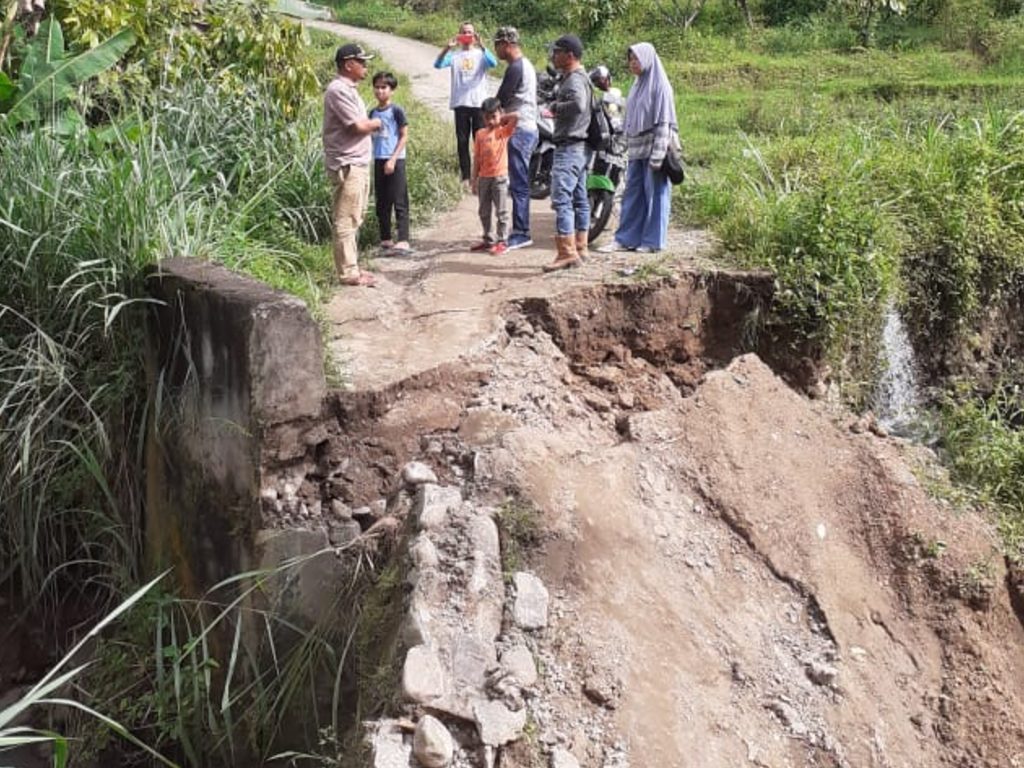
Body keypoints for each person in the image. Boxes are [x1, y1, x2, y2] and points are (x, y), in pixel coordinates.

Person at [598, 42, 678, 254]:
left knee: (657, 195)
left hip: (654, 150)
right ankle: (626, 239)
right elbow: (629, 118)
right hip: (636, 150)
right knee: (632, 194)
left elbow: (664, 122)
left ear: (648, 60)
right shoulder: (636, 85)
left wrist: (658, 156)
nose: (633, 63)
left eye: (637, 59)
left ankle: (653, 242)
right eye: (630, 59)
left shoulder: (660, 87)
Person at [323, 43, 382, 287]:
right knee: (346, 219)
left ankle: (352, 267)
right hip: (347, 164)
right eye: (362, 62)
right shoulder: (338, 90)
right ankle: (348, 273)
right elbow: (357, 126)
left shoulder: (349, 90)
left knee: (355, 216)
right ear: (349, 65)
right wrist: (377, 122)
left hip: (357, 163)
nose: (365, 66)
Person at [542, 34, 591, 272]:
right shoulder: (583, 77)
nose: (553, 56)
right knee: (580, 200)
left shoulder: (574, 81)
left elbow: (578, 105)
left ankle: (567, 253)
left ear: (569, 55)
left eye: (557, 52)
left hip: (569, 147)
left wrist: (555, 107)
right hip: (581, 147)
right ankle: (581, 247)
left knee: (562, 199)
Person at [434, 22, 497, 189]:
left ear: (475, 36)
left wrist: (483, 46)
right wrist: (447, 48)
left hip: (478, 103)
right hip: (460, 103)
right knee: (462, 142)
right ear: (459, 35)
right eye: (464, 32)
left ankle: (482, 173)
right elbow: (438, 64)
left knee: (480, 140)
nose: (467, 35)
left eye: (470, 32)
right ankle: (466, 176)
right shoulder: (454, 56)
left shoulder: (480, 55)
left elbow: (493, 63)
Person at [493, 26, 538, 250]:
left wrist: (489, 114)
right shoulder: (525, 65)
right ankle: (519, 229)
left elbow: (500, 99)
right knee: (518, 181)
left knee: (518, 183)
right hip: (525, 127)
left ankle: (521, 232)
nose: (496, 50)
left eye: (497, 45)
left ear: (507, 44)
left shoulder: (516, 68)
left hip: (519, 129)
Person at [369, 71, 412, 254]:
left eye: (384, 87)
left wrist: (393, 159)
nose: (380, 91)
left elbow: (404, 136)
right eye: (377, 87)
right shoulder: (372, 113)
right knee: (382, 201)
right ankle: (385, 238)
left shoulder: (396, 111)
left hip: (395, 159)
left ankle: (403, 239)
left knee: (399, 199)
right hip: (378, 159)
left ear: (392, 90)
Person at [470, 97, 518, 255]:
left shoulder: (503, 132)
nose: (490, 121)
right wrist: (474, 179)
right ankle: (488, 239)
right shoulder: (479, 134)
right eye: (486, 117)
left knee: (501, 211)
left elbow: (516, 117)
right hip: (484, 178)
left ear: (500, 114)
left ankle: (502, 241)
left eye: (493, 116)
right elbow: (477, 158)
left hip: (499, 178)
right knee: (484, 211)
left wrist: (501, 118)